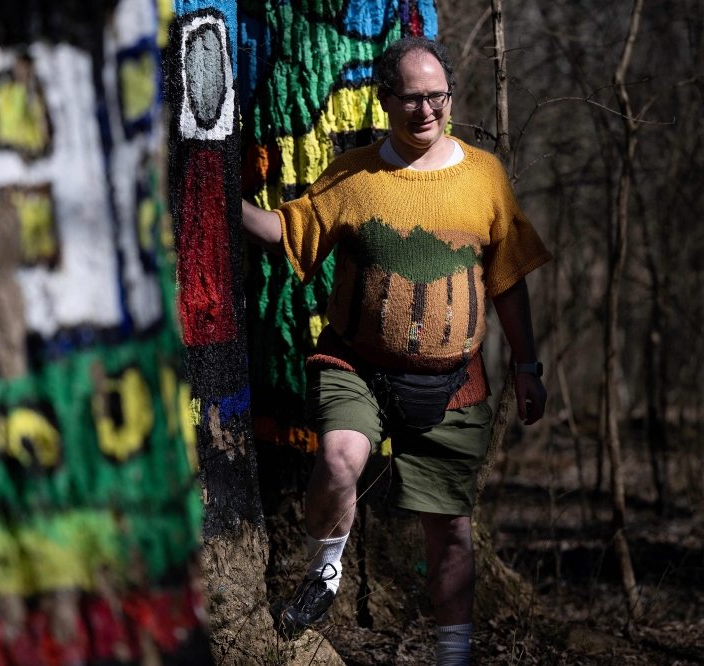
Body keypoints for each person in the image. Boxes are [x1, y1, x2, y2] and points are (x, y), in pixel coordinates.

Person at [242, 36, 550, 666]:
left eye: (437, 95)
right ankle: (327, 568)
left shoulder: (484, 176)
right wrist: (219, 198)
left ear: (450, 96)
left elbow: (509, 281)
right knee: (339, 461)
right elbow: (286, 232)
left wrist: (527, 366)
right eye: (411, 98)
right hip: (356, 366)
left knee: (452, 533)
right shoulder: (355, 174)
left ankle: (453, 656)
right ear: (386, 101)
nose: (426, 109)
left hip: (454, 382)